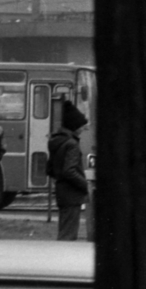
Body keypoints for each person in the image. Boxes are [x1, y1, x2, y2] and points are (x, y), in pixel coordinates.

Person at [48, 100, 90, 241]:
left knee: (65, 231)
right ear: (74, 126)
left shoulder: (57, 141)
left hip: (62, 191)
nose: (83, 129)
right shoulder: (71, 144)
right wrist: (85, 185)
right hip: (72, 193)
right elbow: (69, 171)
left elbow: (50, 169)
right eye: (81, 126)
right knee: (68, 236)